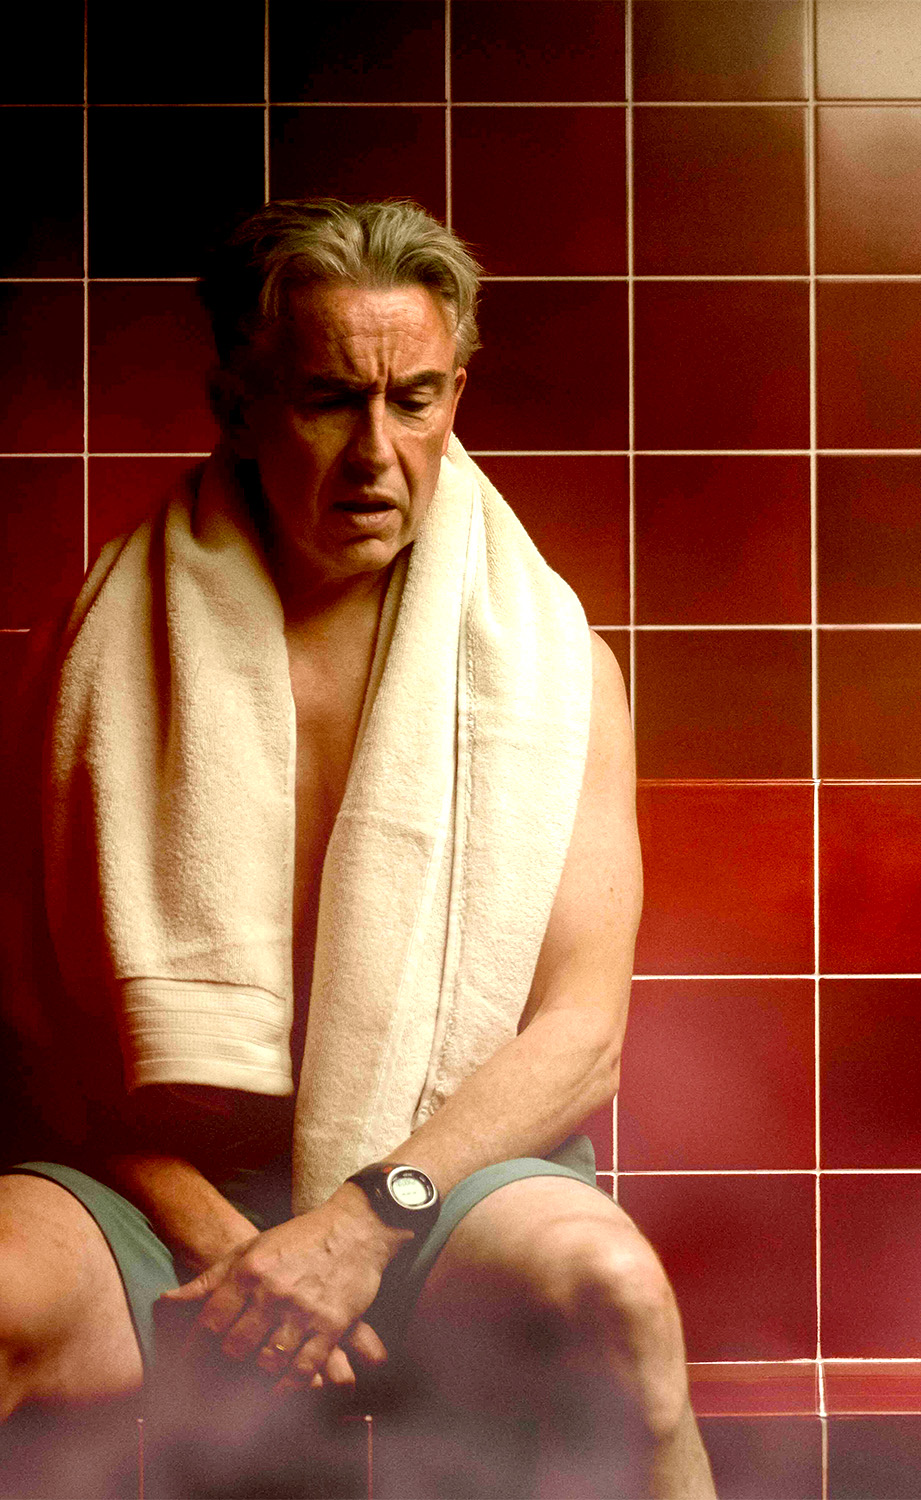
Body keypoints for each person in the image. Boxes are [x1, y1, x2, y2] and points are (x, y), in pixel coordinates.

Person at [0, 199, 714, 1499]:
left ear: (454, 394)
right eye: (330, 400)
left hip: (444, 1182)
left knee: (618, 1301)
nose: (375, 454)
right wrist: (222, 1240)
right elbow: (41, 1025)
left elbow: (580, 1035)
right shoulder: (94, 654)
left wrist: (360, 1223)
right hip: (162, 1186)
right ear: (239, 400)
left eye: (416, 399)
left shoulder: (559, 675)